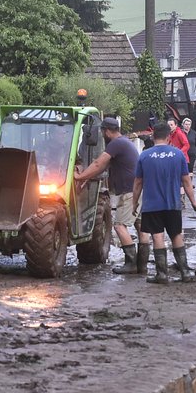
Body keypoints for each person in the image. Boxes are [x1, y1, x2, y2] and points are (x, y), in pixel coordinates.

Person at [132, 122, 196, 283]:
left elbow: (138, 183)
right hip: (172, 204)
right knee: (176, 235)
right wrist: (194, 202)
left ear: (152, 136)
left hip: (152, 205)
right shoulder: (178, 155)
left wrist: (134, 203)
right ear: (168, 136)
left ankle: (162, 275)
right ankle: (185, 272)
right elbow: (186, 182)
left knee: (157, 236)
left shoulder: (144, 156)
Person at [74, 117, 144, 275]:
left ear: (106, 131)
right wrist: (88, 176)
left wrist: (80, 177)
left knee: (120, 226)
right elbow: (103, 167)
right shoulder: (124, 142)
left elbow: (99, 163)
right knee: (140, 225)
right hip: (136, 189)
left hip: (128, 191)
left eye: (102, 132)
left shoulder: (116, 144)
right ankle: (142, 263)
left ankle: (131, 263)